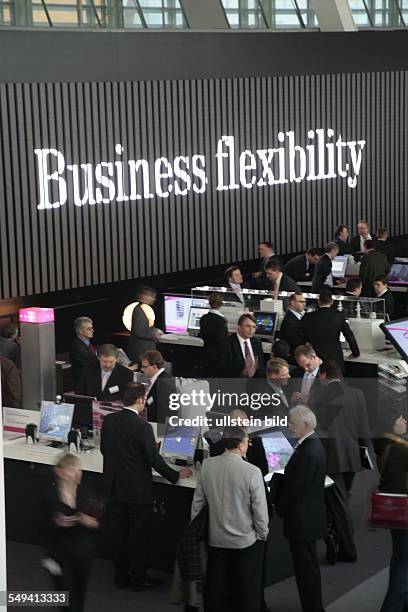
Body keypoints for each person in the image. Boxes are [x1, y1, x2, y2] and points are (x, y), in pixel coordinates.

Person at [101, 382, 191, 590]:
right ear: (141, 400)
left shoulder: (109, 421)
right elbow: (154, 460)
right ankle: (138, 579)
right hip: (137, 491)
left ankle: (120, 577)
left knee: (119, 534)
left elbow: (106, 449)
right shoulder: (143, 427)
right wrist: (176, 475)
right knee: (138, 537)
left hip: (114, 488)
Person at [191, 426, 269, 612]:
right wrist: (262, 534)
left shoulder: (208, 465)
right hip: (245, 540)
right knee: (247, 590)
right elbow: (260, 510)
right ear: (242, 445)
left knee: (216, 588)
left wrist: (194, 531)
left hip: (215, 539)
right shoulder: (252, 471)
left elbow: (198, 503)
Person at [316, 361, 371, 564]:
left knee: (338, 506)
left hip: (331, 460)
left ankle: (348, 550)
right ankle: (336, 539)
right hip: (352, 457)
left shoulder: (319, 396)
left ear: (323, 375)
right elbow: (363, 428)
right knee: (341, 501)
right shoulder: (357, 394)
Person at [276, 405, 327, 612]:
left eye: (293, 424)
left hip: (302, 520)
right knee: (309, 569)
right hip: (309, 517)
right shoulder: (313, 445)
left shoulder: (308, 451)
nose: (289, 427)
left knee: (306, 571)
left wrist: (279, 506)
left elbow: (297, 487)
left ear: (306, 425)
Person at [41, 454, 99, 612]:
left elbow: (98, 523)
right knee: (66, 598)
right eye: (72, 469)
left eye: (78, 469)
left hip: (83, 553)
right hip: (59, 555)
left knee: (80, 596)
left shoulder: (87, 492)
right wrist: (56, 523)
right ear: (59, 471)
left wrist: (90, 521)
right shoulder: (49, 496)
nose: (77, 472)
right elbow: (39, 528)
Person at [374, 410, 408, 612]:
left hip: (396, 513)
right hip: (405, 512)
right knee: (403, 565)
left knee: (400, 560)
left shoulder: (385, 447)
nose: (404, 421)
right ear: (392, 426)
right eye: (400, 419)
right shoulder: (401, 449)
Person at [301, 290, 360, 371]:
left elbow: (302, 336)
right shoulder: (338, 315)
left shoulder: (307, 317)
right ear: (332, 301)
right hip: (335, 359)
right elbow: (349, 335)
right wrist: (355, 352)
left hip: (315, 358)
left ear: (318, 301)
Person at [222, 313, 264, 378]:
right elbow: (223, 369)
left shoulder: (256, 342)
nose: (251, 330)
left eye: (254, 327)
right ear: (239, 327)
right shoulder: (227, 344)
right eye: (248, 326)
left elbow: (259, 365)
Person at [140, 350, 176, 423]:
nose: (142, 369)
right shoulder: (159, 379)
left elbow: (164, 412)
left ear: (154, 367)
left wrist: (160, 432)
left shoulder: (164, 383)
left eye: (144, 367)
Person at [127, 286, 159, 365]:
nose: (153, 299)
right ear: (144, 296)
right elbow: (139, 331)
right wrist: (154, 334)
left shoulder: (144, 309)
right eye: (152, 296)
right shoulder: (139, 311)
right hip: (141, 351)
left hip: (144, 351)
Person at [199, 293, 228, 378]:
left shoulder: (204, 318)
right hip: (218, 357)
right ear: (221, 304)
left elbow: (203, 334)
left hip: (206, 353)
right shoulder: (221, 321)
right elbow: (222, 340)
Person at [69, 317, 97, 387]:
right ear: (80, 331)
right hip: (84, 385)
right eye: (89, 329)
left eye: (92, 328)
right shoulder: (77, 347)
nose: (92, 330)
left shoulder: (87, 344)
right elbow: (92, 362)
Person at [278, 292, 306, 362]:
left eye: (305, 302)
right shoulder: (289, 320)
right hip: (293, 358)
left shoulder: (298, 317)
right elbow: (294, 340)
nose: (304, 304)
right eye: (301, 301)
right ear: (293, 303)